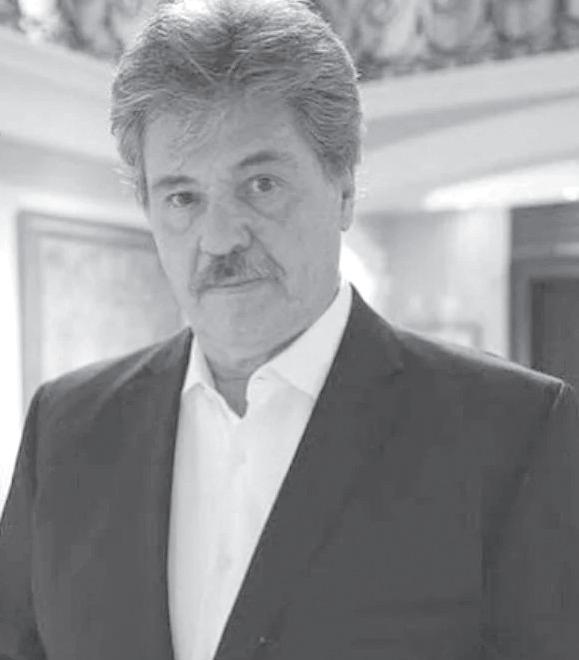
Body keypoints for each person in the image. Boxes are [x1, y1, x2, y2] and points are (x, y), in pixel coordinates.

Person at [1, 1, 579, 659]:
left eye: (261, 185)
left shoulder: (511, 431)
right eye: (183, 197)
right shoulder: (67, 427)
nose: (219, 237)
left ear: (344, 190)